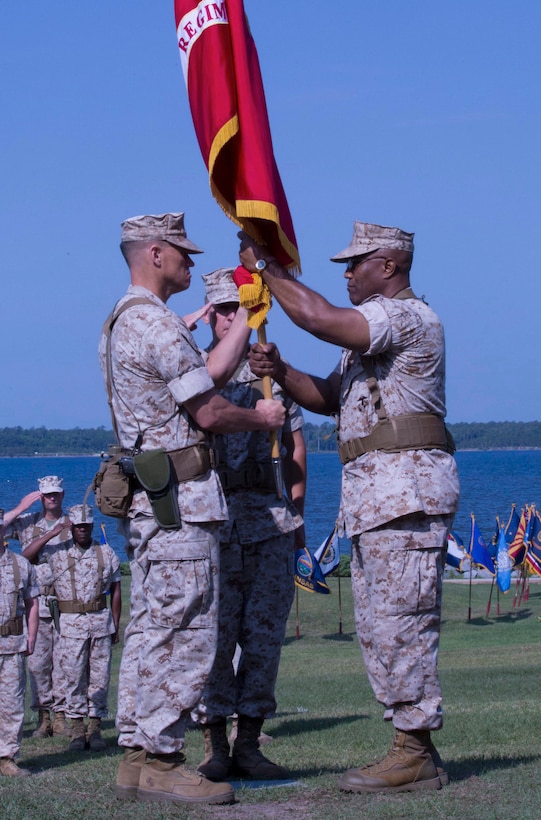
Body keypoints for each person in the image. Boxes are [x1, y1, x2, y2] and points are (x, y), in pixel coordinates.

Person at [239, 221, 460, 794]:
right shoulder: (370, 340)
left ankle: (415, 750)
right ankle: (409, 747)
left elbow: (317, 316)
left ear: (388, 265)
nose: (346, 274)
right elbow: (331, 399)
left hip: (405, 497)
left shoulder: (406, 317)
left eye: (355, 264)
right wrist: (281, 372)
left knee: (402, 623)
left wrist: (268, 269)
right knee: (379, 627)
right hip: (376, 500)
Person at [99, 212, 286, 806]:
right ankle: (163, 759)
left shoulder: (124, 319)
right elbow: (207, 409)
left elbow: (203, 375)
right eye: (181, 251)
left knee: (157, 625)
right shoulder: (154, 322)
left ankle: (137, 755)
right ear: (154, 253)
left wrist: (249, 317)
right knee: (185, 630)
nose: (189, 260)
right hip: (180, 501)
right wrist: (261, 418)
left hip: (160, 503)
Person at [196, 269, 306, 781]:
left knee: (263, 638)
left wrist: (298, 510)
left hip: (269, 519)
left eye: (235, 308)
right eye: (218, 309)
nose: (226, 318)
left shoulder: (269, 371)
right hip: (217, 524)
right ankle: (215, 744)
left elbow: (298, 449)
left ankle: (251, 743)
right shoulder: (196, 373)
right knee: (215, 640)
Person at [42, 504, 121, 752]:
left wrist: (116, 625)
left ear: (92, 526)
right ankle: (77, 727)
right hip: (71, 626)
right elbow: (27, 557)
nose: (82, 530)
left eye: (86, 526)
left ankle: (95, 727)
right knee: (73, 676)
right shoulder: (57, 554)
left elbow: (116, 590)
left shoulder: (106, 553)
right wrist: (55, 531)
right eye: (78, 527)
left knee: (99, 677)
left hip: (100, 622)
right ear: (72, 528)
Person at [7, 476, 72, 739]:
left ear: (62, 494)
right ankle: (44, 717)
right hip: (37, 604)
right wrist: (20, 508)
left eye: (56, 494)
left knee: (65, 663)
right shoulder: (27, 523)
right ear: (41, 496)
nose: (52, 498)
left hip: (66, 604)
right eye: (47, 495)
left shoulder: (73, 524)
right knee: (38, 665)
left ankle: (63, 716)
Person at [0, 505, 39, 777]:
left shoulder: (20, 564)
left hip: (13, 643)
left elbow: (32, 603)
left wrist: (32, 636)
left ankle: (6, 758)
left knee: (12, 703)